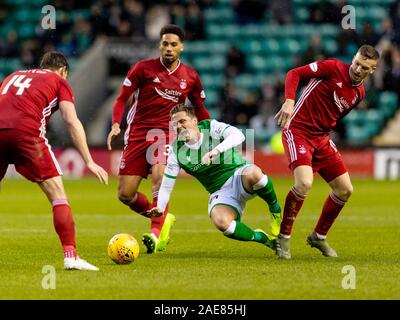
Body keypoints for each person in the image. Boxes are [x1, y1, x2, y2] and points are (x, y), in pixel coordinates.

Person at [0, 51, 109, 270]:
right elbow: (70, 120)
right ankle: (71, 256)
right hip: (27, 135)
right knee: (58, 195)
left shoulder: (12, 76)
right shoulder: (59, 81)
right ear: (63, 71)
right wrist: (89, 160)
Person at [107, 24, 210, 254]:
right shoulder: (142, 69)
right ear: (159, 45)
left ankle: (156, 233)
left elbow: (200, 109)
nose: (169, 48)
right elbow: (121, 98)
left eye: (174, 44)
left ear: (181, 47)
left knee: (159, 174)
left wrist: (209, 134)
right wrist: (116, 123)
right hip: (137, 134)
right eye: (165, 44)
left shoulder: (190, 77)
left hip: (165, 133)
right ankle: (163, 217)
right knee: (125, 194)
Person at [274, 45, 380, 259]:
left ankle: (318, 236)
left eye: (364, 67)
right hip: (298, 130)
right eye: (357, 63)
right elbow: (294, 73)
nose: (358, 69)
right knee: (304, 183)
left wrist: (324, 136)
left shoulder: (359, 93)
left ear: (373, 70)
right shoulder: (331, 68)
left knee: (345, 190)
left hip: (321, 139)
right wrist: (289, 101)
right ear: (353, 58)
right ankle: (282, 238)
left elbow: (334, 115)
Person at [149, 104, 282, 252]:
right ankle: (263, 239)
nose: (179, 126)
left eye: (182, 121)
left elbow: (239, 135)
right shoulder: (176, 150)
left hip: (239, 175)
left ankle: (275, 210)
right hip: (220, 192)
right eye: (175, 124)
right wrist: (160, 208)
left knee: (255, 174)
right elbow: (167, 185)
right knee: (223, 224)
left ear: (194, 121)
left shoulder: (210, 127)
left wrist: (216, 151)